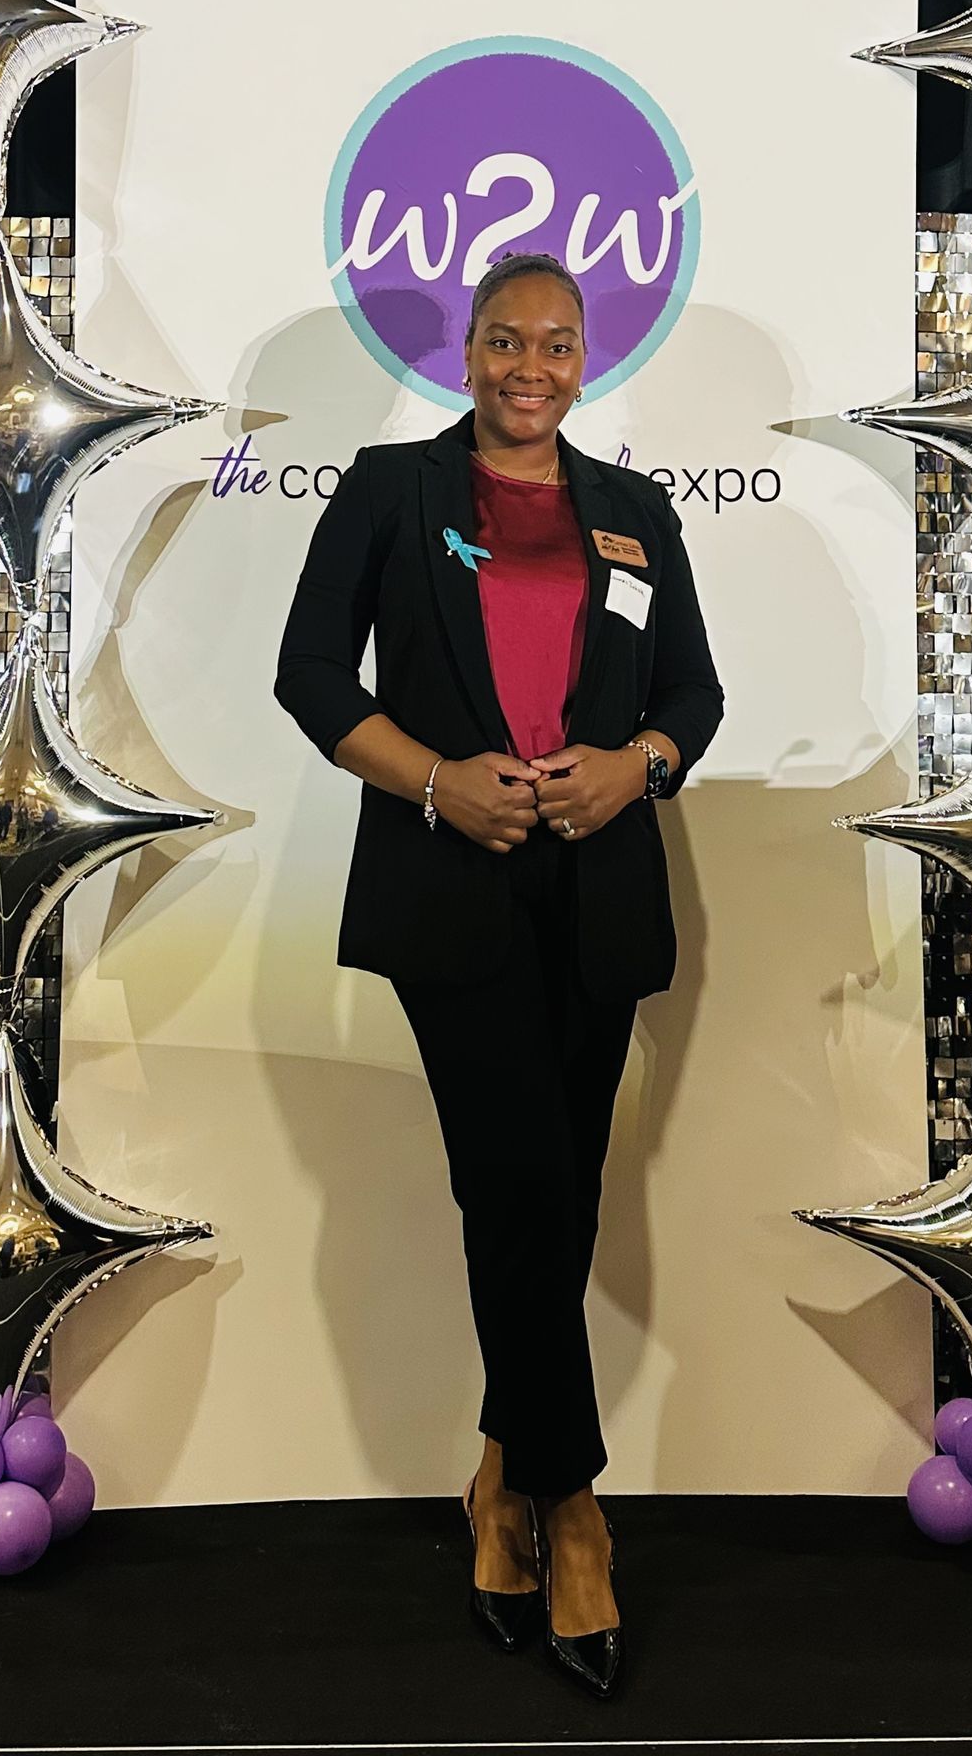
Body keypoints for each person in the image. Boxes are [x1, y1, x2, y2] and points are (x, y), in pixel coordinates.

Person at [274, 250, 724, 1698]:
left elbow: (692, 697)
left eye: (558, 342)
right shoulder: (387, 491)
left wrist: (633, 767)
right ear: (465, 349)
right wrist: (433, 783)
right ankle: (574, 1507)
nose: (531, 365)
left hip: (598, 891)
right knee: (512, 1179)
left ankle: (495, 1477)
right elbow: (311, 679)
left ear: (587, 358)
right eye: (505, 339)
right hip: (450, 887)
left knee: (558, 1192)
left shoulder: (635, 512)